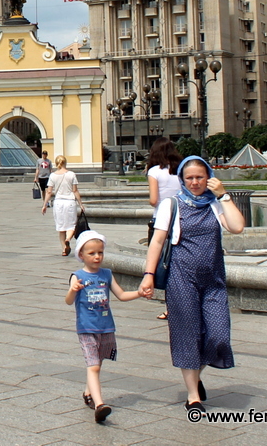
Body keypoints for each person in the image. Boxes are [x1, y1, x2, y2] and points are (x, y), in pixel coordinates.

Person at [138, 156, 246, 414]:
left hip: (213, 279)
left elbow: (238, 227)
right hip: (181, 278)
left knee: (219, 335)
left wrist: (223, 196)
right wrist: (148, 274)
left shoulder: (213, 204)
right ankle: (193, 395)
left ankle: (195, 375)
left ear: (208, 177)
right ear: (182, 180)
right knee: (187, 335)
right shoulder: (171, 205)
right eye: (190, 178)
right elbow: (157, 242)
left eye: (200, 177)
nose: (196, 182)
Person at [65, 231, 141, 423]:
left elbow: (121, 295)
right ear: (81, 255)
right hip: (86, 328)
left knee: (98, 362)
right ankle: (99, 405)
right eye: (92, 253)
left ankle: (88, 393)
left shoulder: (106, 274)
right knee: (94, 366)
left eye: (100, 252)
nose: (97, 257)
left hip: (106, 327)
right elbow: (68, 301)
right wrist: (73, 290)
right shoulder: (78, 276)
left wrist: (140, 292)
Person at [146, 137, 182, 319]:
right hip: (182, 218)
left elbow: (153, 200)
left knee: (165, 263)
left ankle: (170, 307)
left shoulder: (154, 172)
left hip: (162, 220)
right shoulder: (180, 170)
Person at [41, 155, 84, 256]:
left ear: (56, 163)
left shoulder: (52, 176)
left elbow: (49, 192)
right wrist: (81, 204)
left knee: (61, 227)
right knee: (71, 225)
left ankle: (64, 250)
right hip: (70, 203)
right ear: (65, 163)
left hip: (58, 203)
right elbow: (75, 191)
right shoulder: (71, 174)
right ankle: (68, 239)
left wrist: (44, 205)